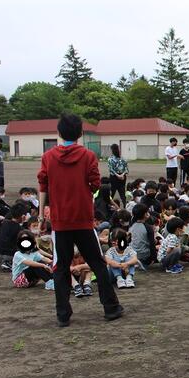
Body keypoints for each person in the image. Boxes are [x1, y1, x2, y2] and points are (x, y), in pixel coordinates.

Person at [37, 113, 124, 327]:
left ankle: (63, 315)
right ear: (80, 133)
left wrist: (41, 216)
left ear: (59, 132)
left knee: (60, 267)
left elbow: (43, 186)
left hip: (60, 221)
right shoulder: (88, 156)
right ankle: (111, 308)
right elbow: (95, 184)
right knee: (98, 264)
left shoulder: (48, 157)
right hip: (83, 220)